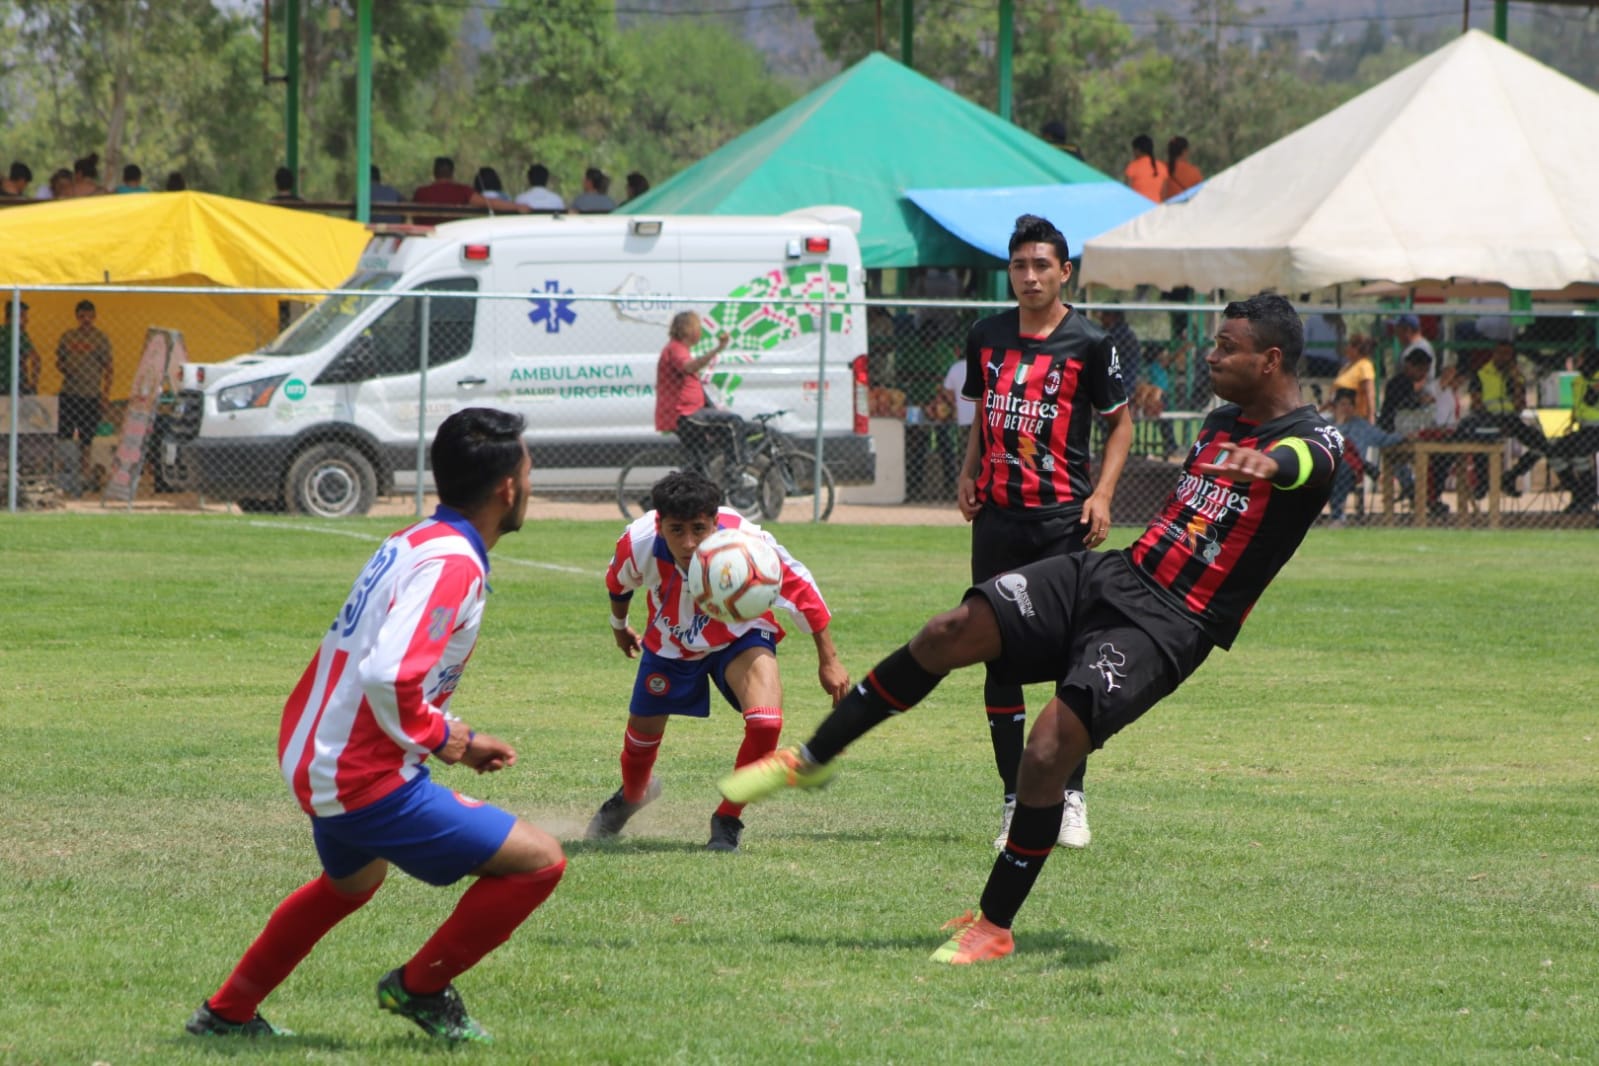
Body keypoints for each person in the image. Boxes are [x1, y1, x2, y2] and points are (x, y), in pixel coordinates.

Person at [719, 293, 1342, 965]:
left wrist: (1271, 465)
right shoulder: (1223, 418)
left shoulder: (1312, 440)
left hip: (1168, 624)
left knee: (1046, 752)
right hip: (1112, 574)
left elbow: (1308, 463)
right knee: (948, 632)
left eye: (1226, 347)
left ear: (1269, 359)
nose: (1212, 356)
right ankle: (812, 760)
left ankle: (993, 926)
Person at [185, 407, 566, 1044]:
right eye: (529, 471)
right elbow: (389, 674)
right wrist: (450, 740)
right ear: (508, 489)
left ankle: (226, 1013)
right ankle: (419, 989)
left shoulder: (414, 539)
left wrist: (450, 735)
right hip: (360, 772)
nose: (530, 482)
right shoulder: (454, 564)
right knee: (539, 862)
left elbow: (381, 668)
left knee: (351, 884)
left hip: (316, 747)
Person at [956, 215, 1133, 851]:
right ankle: (1012, 798)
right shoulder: (986, 335)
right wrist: (969, 470)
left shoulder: (1091, 343)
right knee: (997, 655)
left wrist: (1105, 495)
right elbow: (981, 411)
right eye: (1018, 266)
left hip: (1064, 521)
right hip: (1000, 520)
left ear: (1065, 271)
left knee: (1071, 659)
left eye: (1041, 266)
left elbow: (1120, 425)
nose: (1028, 277)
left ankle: (1070, 797)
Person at [590, 469, 849, 852]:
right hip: (671, 640)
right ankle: (633, 794)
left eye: (699, 528)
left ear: (715, 520)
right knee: (642, 737)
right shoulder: (639, 542)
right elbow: (617, 584)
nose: (689, 542)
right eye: (677, 530)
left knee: (766, 722)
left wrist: (829, 659)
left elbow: (801, 587)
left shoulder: (748, 543)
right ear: (660, 524)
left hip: (740, 635)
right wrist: (619, 626)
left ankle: (727, 818)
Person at [654, 310, 743, 489]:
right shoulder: (676, 349)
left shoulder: (679, 349)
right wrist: (717, 349)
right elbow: (689, 367)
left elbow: (694, 387)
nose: (701, 332)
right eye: (698, 327)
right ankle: (734, 471)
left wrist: (713, 409)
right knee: (733, 423)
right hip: (685, 414)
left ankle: (667, 496)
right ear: (689, 330)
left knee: (699, 464)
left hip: (688, 412)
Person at [1457, 339, 1549, 498]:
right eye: (1500, 353)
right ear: (1493, 354)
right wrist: (1497, 421)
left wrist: (1515, 382)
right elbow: (1477, 404)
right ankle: (1483, 482)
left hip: (1511, 418)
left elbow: (1520, 406)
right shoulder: (1482, 374)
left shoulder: (1516, 376)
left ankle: (1511, 476)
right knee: (1483, 435)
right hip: (1487, 418)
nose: (1503, 358)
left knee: (1542, 443)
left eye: (1507, 354)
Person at [55, 299, 113, 494]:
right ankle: (65, 476)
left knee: (86, 439)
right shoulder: (68, 337)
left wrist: (105, 395)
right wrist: (67, 367)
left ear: (94, 317)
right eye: (82, 316)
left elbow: (109, 369)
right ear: (77, 317)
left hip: (91, 395)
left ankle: (84, 476)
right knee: (65, 435)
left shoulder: (100, 339)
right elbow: (59, 361)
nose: (86, 320)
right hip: (69, 393)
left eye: (89, 316)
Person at [1327, 387, 1403, 525]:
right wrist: (1339, 424)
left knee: (1343, 467)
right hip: (1325, 467)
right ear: (1335, 406)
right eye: (1343, 404)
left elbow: (1384, 439)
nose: (1346, 408)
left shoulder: (1362, 426)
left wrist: (1405, 436)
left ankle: (1337, 516)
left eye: (1350, 404)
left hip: (1352, 469)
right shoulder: (1326, 424)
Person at [1548, 348, 1599, 513]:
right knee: (1554, 452)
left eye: (1581, 360)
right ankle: (1579, 493)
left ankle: (1589, 494)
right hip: (1584, 429)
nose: (1578, 363)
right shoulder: (1578, 380)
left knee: (1579, 451)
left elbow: (1590, 400)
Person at [1327, 333, 1376, 423]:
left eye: (1349, 345)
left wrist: (1371, 418)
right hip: (1338, 416)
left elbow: (1370, 394)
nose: (1346, 348)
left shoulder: (1365, 365)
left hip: (1356, 418)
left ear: (1357, 349)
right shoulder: (1346, 367)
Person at [412, 156, 475, 224]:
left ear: (434, 172)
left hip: (426, 233)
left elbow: (414, 217)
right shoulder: (463, 191)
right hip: (454, 232)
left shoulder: (421, 192)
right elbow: (486, 203)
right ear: (452, 172)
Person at [1, 300, 40, 396]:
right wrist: (33, 383)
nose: (27, 320)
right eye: (23, 316)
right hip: (15, 384)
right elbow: (36, 358)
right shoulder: (18, 333)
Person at [1390, 313, 1438, 379]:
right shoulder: (1410, 346)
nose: (1395, 332)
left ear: (1407, 330)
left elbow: (1422, 380)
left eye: (1398, 328)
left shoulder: (1421, 348)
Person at [1123, 134, 1168, 202]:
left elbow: (1126, 191)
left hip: (1138, 208)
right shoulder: (1162, 167)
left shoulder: (1133, 166)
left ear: (1137, 150)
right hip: (1156, 209)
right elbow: (1164, 195)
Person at [1160, 136, 1203, 201]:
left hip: (1166, 209)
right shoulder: (1194, 172)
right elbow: (1200, 195)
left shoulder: (1160, 168)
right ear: (1184, 151)